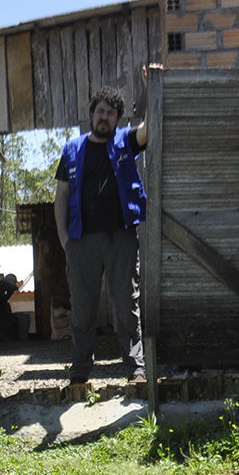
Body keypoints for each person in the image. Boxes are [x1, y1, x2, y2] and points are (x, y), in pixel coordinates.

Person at [52, 85, 150, 388]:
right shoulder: (71, 149)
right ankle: (80, 373)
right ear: (92, 115)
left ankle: (136, 370)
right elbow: (61, 195)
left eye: (110, 112)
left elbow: (148, 128)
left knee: (126, 307)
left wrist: (148, 89)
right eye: (100, 111)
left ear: (117, 118)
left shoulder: (125, 141)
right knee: (81, 311)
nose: (104, 117)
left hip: (121, 238)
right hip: (82, 242)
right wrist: (64, 240)